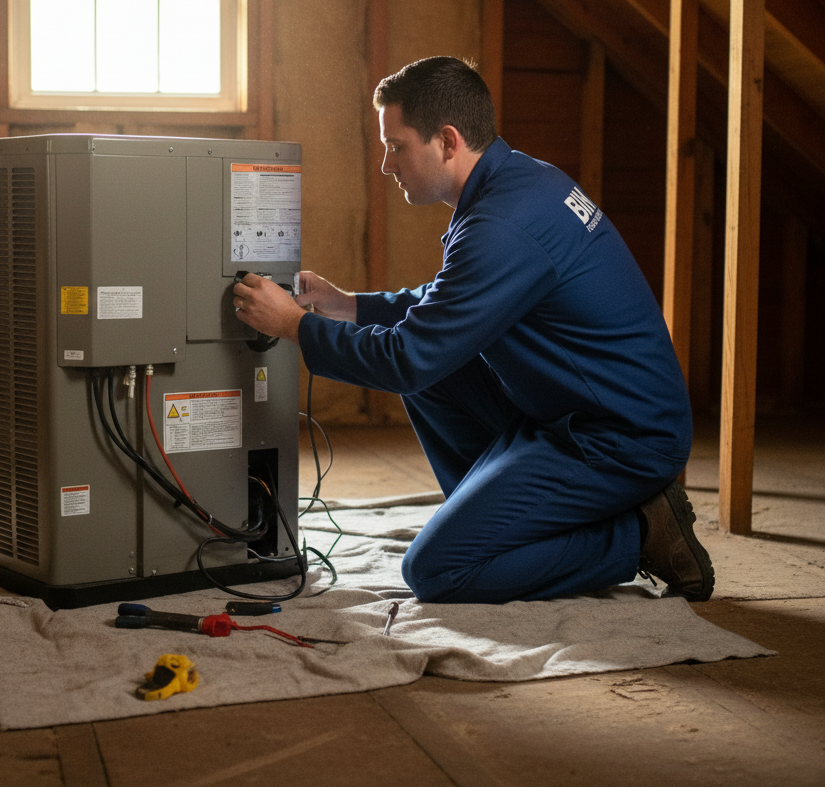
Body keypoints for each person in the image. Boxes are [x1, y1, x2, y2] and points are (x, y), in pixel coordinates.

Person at [232, 55, 714, 604]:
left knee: (438, 570)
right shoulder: (518, 182)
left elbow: (408, 356)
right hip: (573, 409)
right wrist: (348, 305)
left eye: (396, 145)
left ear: (447, 140)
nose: (387, 165)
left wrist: (295, 326)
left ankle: (638, 533)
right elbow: (446, 309)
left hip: (620, 438)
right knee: (437, 372)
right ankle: (499, 524)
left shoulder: (504, 225)